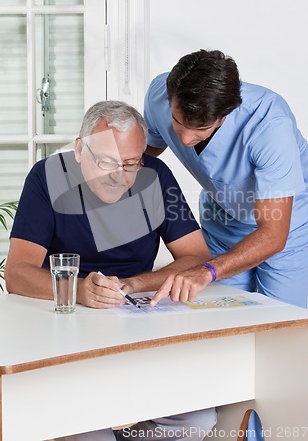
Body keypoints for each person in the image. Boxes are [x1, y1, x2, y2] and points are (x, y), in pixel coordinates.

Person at [5, 101, 216, 441]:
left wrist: (135, 283)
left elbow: (196, 256)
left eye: (132, 163)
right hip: (63, 325)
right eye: (106, 162)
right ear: (79, 149)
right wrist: (79, 289)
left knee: (199, 419)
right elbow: (17, 273)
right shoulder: (46, 177)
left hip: (132, 321)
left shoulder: (156, 178)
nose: (119, 175)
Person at [144, 49, 308, 309]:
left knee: (280, 320)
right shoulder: (158, 97)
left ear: (225, 115)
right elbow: (144, 156)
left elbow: (273, 235)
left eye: (201, 129)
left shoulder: (268, 123)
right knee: (218, 311)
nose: (185, 139)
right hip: (224, 218)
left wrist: (207, 269)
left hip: (286, 223)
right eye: (177, 121)